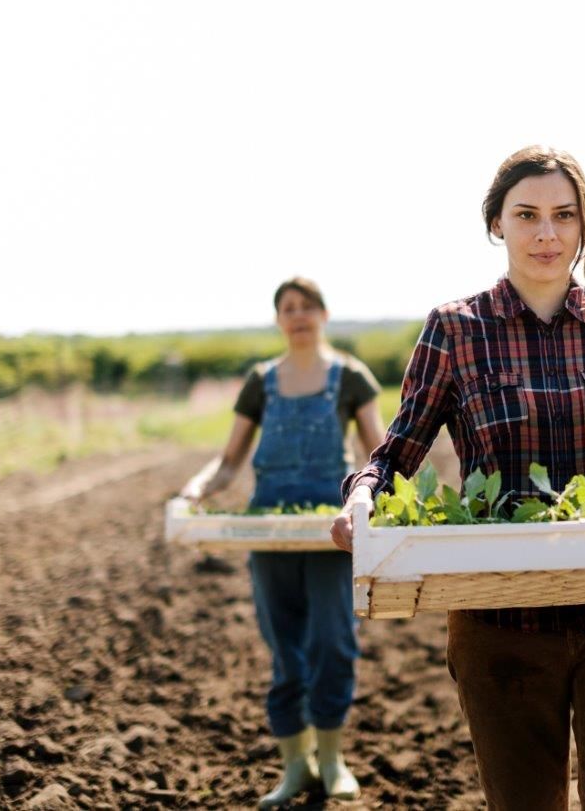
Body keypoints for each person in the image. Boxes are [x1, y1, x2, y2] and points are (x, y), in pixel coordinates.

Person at [330, 146, 585, 811]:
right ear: (497, 223)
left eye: (563, 215)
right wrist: (361, 497)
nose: (546, 234)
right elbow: (397, 450)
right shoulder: (457, 330)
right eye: (527, 215)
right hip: (501, 616)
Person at [182, 277, 384, 808]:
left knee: (332, 644)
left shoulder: (350, 378)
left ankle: (333, 760)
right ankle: (296, 767)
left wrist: (388, 507)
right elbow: (229, 462)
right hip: (269, 532)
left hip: (329, 534)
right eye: (287, 308)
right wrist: (198, 490)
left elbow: (378, 458)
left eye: (306, 306)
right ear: (278, 320)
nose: (297, 316)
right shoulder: (260, 381)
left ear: (323, 313)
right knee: (284, 649)